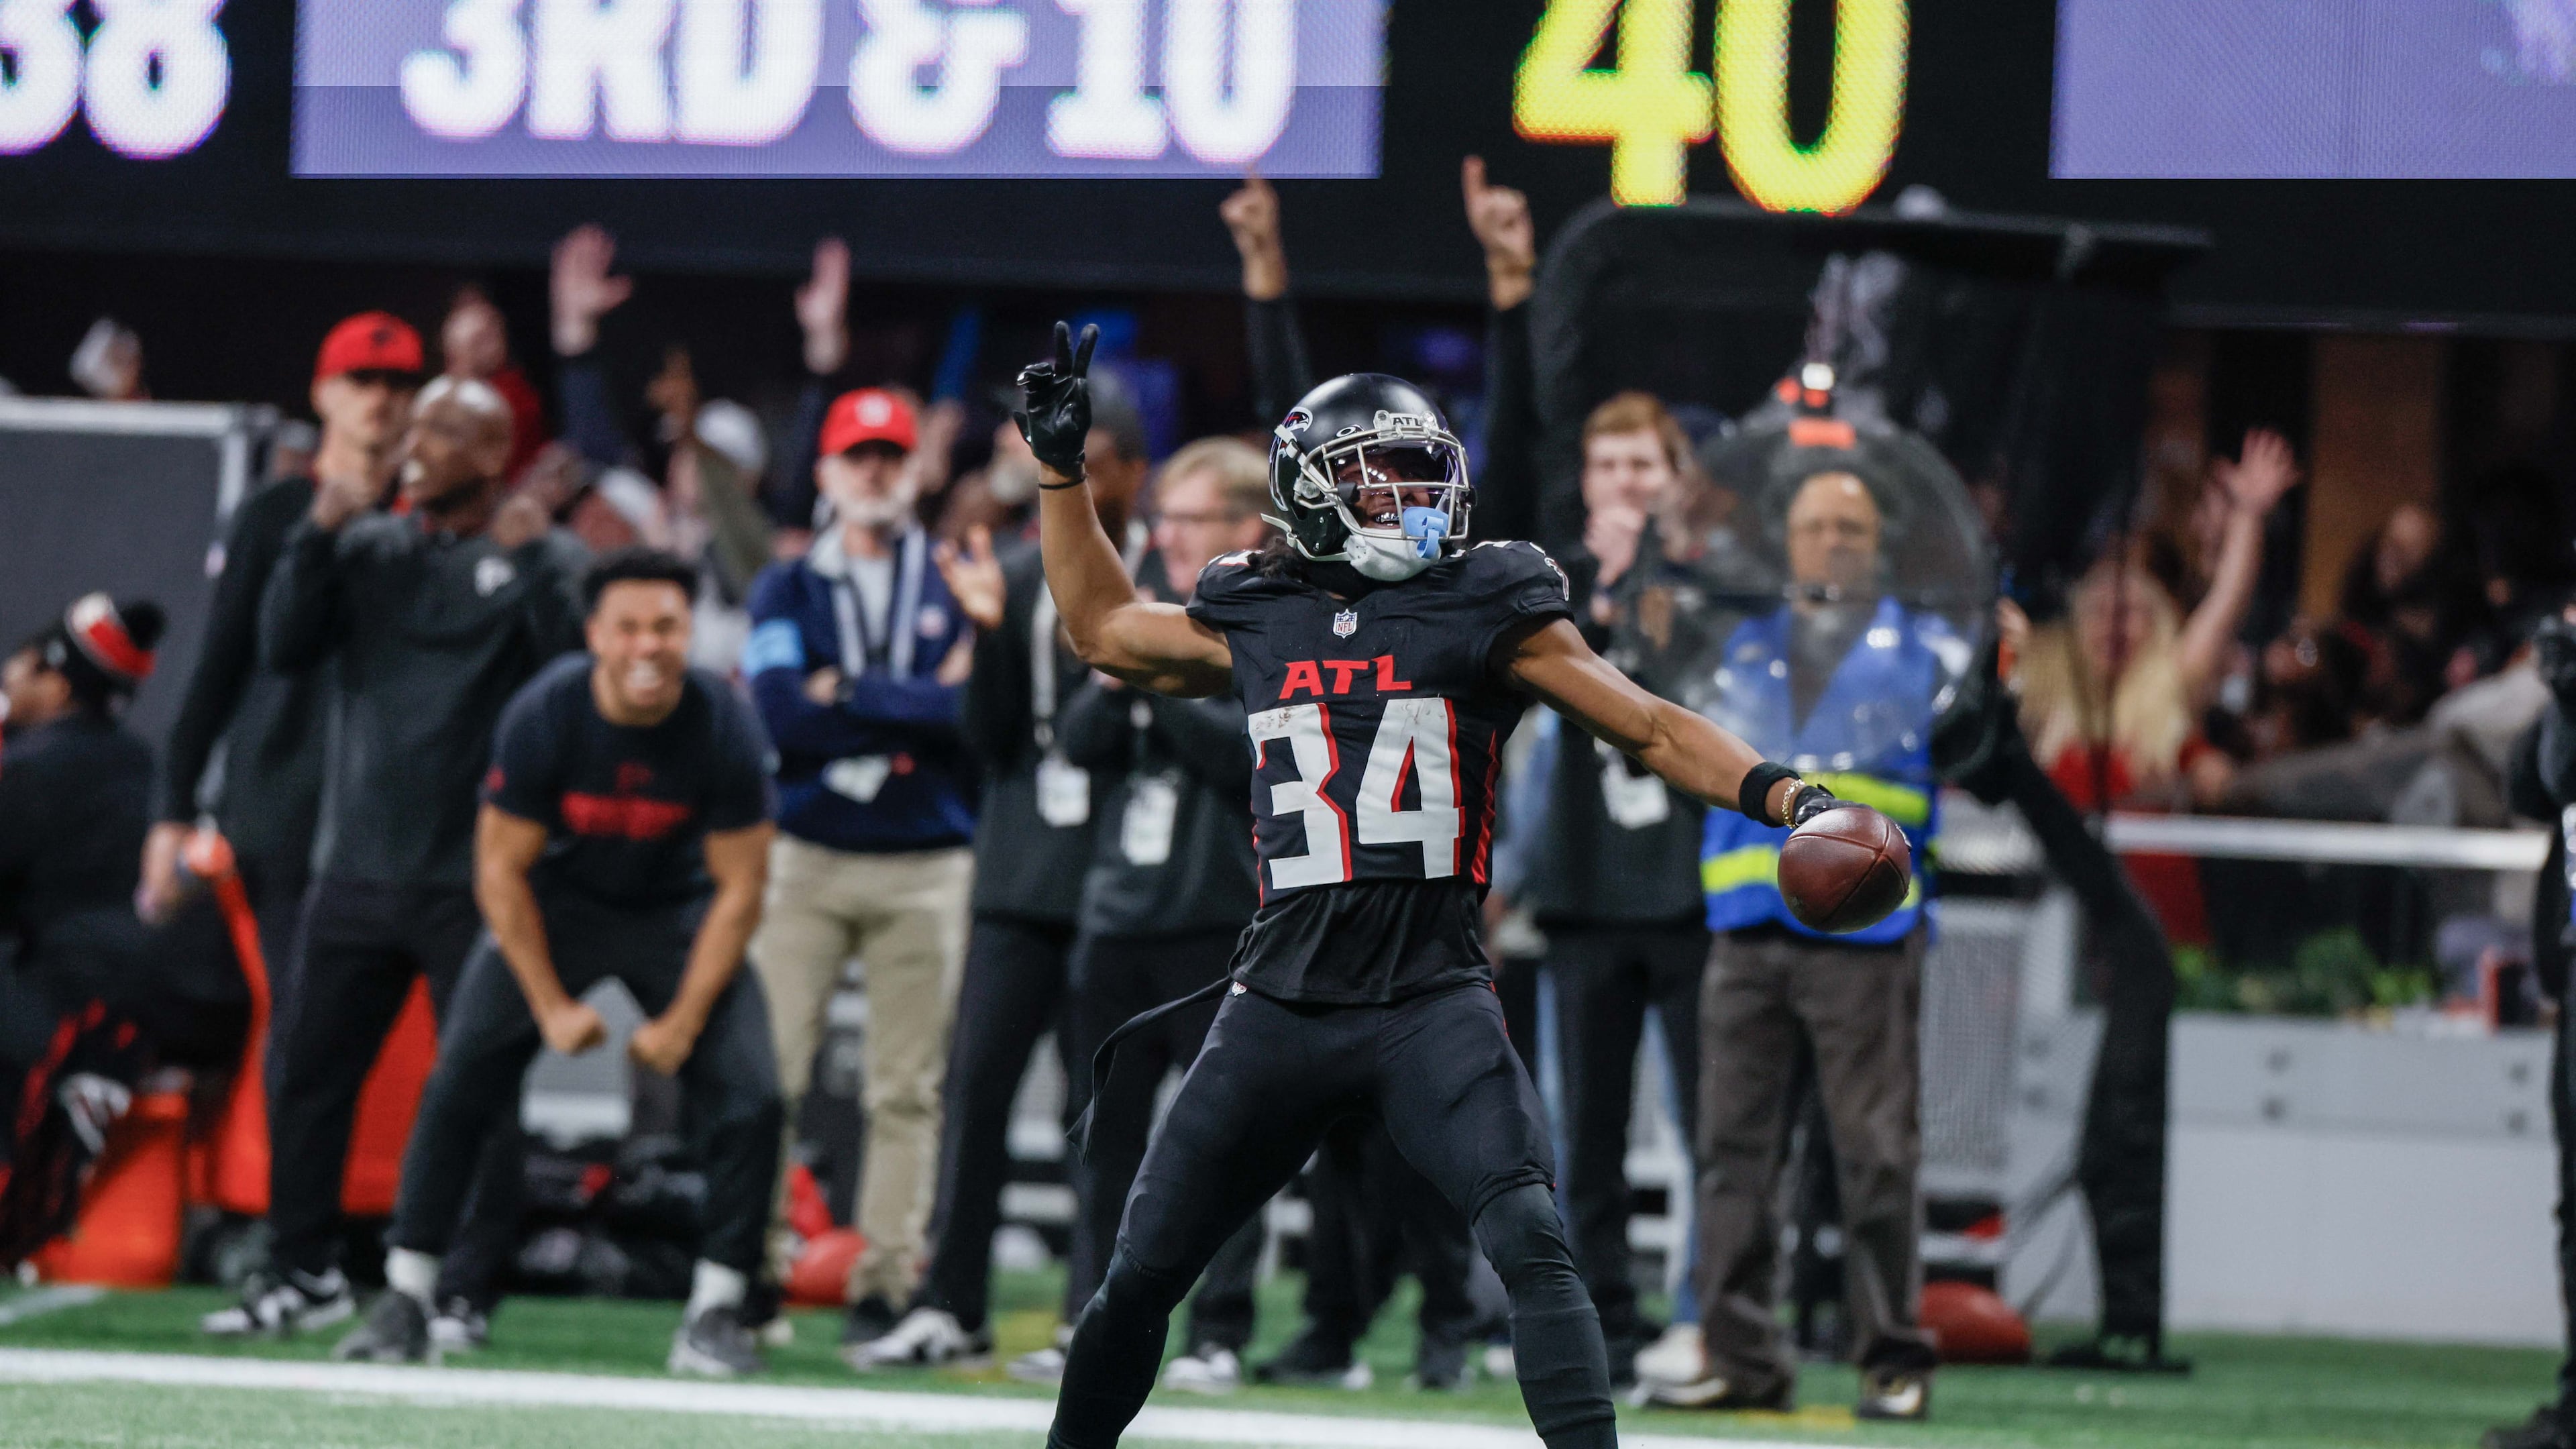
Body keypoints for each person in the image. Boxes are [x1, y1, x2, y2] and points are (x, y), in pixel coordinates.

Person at [1018, 323, 1891, 1449]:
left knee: (1531, 1234)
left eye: (1425, 474)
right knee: (1141, 1274)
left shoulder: (1488, 601)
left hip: (1429, 998)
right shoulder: (1258, 607)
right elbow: (1100, 628)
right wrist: (1059, 473)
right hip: (1280, 1001)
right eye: (1379, 479)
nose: (1412, 501)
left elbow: (1650, 725)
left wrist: (1791, 798)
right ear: (1311, 492)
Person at [332, 549, 784, 1377]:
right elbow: (499, 871)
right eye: (629, 629)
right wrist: (548, 1008)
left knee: (754, 1094)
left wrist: (681, 1023)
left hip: (673, 911)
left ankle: (717, 1310)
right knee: (461, 1075)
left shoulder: (726, 722)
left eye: (666, 628)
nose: (648, 646)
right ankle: (407, 1294)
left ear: (691, 633)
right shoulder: (545, 714)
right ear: (595, 636)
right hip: (558, 908)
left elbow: (741, 889)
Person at [205, 375, 586, 1340]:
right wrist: (316, 532)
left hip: (474, 874)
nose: (419, 444)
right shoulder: (369, 546)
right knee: (308, 1073)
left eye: (448, 432)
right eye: (418, 426)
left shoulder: (538, 554)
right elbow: (284, 648)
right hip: (357, 862)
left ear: (496, 455)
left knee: (478, 1085)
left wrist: (538, 561)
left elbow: (573, 687)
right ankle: (302, 1269)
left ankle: (462, 1289)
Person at [847, 371, 1151, 1375]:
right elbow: (986, 744)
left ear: (1132, 473)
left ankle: (1088, 1319)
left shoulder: (1163, 578)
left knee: (1102, 1113)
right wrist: (983, 640)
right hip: (1019, 876)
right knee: (975, 1095)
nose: (1071, 479)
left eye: (1092, 463)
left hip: (1117, 883)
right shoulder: (1018, 576)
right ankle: (951, 1303)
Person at [1653, 466, 1951, 1421]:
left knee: (1875, 1154)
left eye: (1852, 528)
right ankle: (1739, 1355)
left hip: (1870, 934)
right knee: (1731, 1152)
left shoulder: (1931, 651)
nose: (1833, 541)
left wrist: (2006, 683)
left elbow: (1982, 748)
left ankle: (1891, 1359)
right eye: (1817, 525)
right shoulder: (1735, 645)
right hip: (1744, 931)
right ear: (1786, 541)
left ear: (1878, 545)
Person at [742, 384, 976, 1348]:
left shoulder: (960, 573)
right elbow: (781, 715)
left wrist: (857, 692)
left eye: (891, 455)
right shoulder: (787, 583)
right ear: (829, 472)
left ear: (916, 469)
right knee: (769, 1074)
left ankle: (884, 1284)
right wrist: (916, 699)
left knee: (908, 1087)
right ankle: (745, 1274)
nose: (876, 473)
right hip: (808, 853)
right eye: (858, 456)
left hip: (925, 859)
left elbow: (973, 717)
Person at [1050, 439, 1271, 1395]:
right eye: (1167, 521)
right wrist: (1125, 674)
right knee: (1104, 1134)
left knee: (1223, 1138)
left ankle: (1219, 1329)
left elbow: (1240, 756)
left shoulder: (1264, 620)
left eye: (1187, 521)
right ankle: (1087, 1316)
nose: (1167, 538)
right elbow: (1079, 740)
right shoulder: (1143, 612)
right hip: (1119, 913)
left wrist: (1144, 675)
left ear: (1244, 527)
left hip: (1215, 919)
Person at [146, 314, 423, 1010]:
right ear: (324, 392)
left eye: (399, 383)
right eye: (363, 380)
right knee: (298, 1025)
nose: (381, 398)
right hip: (281, 808)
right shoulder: (275, 513)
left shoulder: (428, 525)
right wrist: (172, 809)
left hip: (387, 824)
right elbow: (220, 661)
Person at [1532, 392, 1713, 1386]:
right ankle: (1601, 1318)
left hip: (1686, 893)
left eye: (1642, 467)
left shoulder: (1712, 581)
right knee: (1583, 1132)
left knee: (1704, 1126)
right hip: (1584, 888)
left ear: (1677, 477)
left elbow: (1693, 696)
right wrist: (1596, 593)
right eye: (1607, 468)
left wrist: (1647, 577)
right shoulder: (1553, 589)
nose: (1623, 486)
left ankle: (1701, 1315)